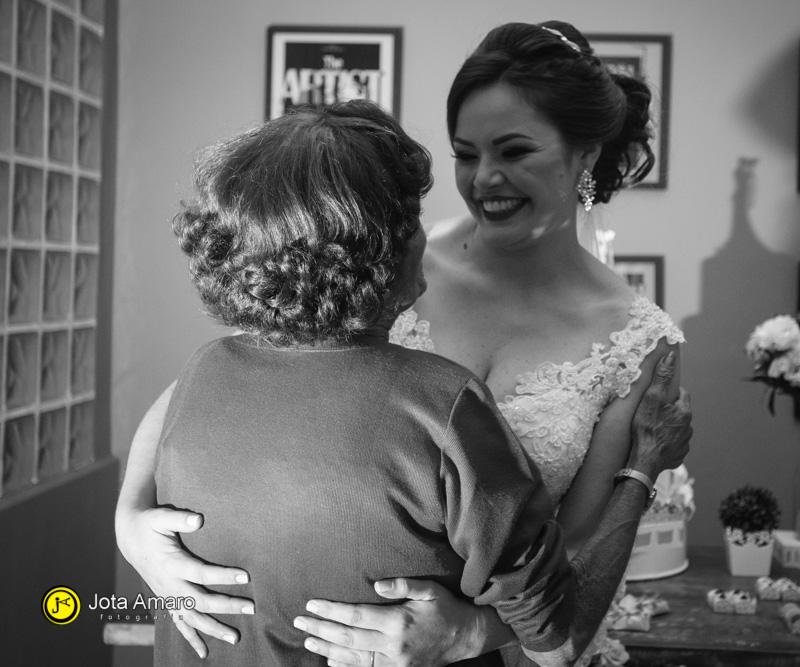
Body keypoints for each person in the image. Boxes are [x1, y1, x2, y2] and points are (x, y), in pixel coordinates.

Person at [115, 19, 693, 667]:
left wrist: (472, 631)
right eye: (466, 153)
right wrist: (132, 524)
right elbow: (216, 388)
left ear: (584, 153)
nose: (484, 179)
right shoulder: (374, 256)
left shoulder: (635, 339)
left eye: (514, 150)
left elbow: (573, 554)